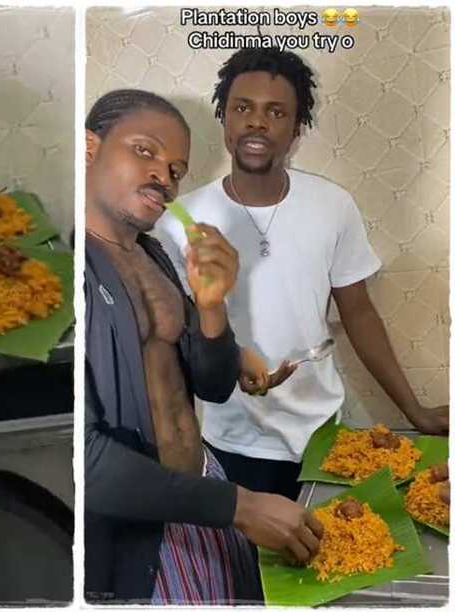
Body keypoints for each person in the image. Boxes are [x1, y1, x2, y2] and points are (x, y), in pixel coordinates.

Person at [154, 47, 449, 503]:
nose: (257, 122)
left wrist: (415, 411)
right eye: (242, 108)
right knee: (248, 573)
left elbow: (359, 313)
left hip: (324, 435)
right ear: (224, 118)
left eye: (275, 112)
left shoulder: (332, 205)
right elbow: (178, 338)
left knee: (330, 561)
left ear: (296, 129)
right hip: (231, 443)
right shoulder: (181, 221)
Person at [83, 88, 322, 605]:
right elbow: (85, 460)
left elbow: (211, 386)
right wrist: (240, 506)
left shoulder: (156, 257)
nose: (162, 177)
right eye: (144, 151)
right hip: (138, 531)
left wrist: (212, 306)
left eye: (175, 169)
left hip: (198, 494)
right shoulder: (61, 270)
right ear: (89, 147)